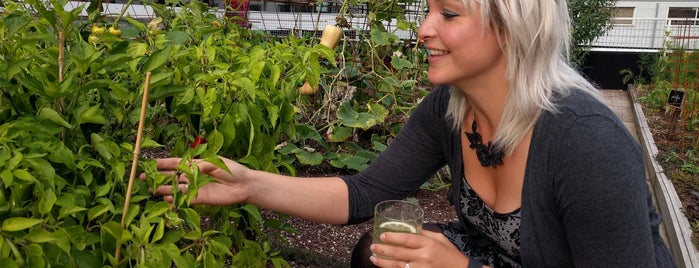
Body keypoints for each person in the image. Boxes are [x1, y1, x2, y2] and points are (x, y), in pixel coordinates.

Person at [144, 0, 677, 267]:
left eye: (448, 13)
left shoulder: (585, 142)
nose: (423, 29)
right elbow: (366, 193)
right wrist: (249, 186)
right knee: (377, 253)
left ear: (513, 25)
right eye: (427, 9)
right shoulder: (450, 107)